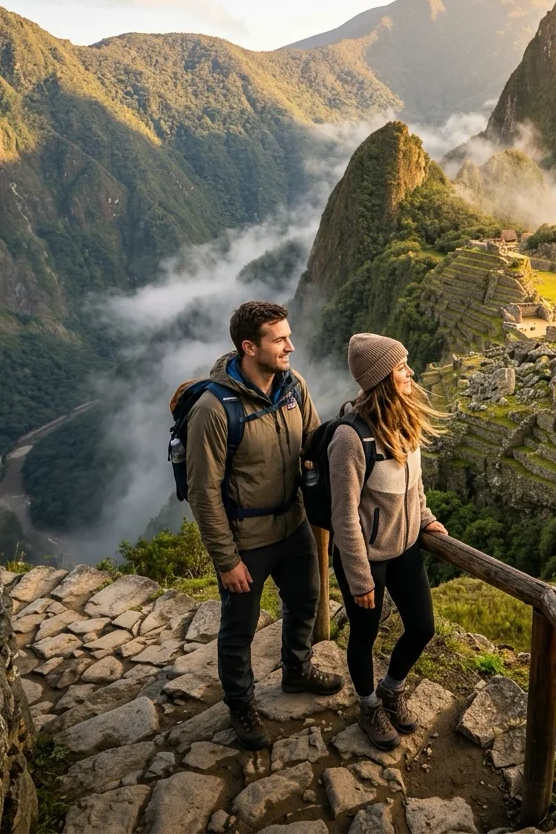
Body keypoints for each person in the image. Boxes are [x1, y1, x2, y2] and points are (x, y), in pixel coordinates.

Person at [187, 300, 343, 749]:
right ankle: (241, 703)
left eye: (288, 336)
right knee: (240, 626)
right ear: (249, 346)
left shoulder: (294, 387)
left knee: (306, 598)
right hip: (247, 538)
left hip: (293, 524)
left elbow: (313, 443)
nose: (291, 346)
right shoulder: (214, 410)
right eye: (280, 340)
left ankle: (296, 671)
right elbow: (204, 492)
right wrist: (226, 559)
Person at [328, 333, 447, 749]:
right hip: (365, 555)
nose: (410, 372)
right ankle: (367, 706)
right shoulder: (350, 438)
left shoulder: (405, 419)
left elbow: (414, 485)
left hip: (405, 546)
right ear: (382, 378)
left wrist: (427, 519)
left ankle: (391, 690)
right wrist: (360, 578)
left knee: (422, 627)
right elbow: (343, 514)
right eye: (401, 367)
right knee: (364, 634)